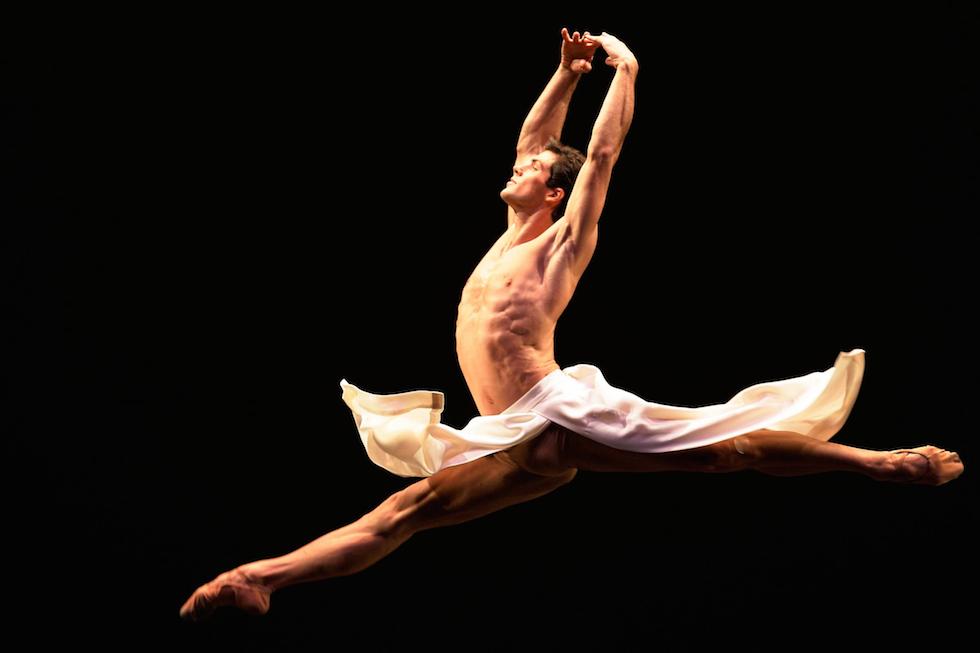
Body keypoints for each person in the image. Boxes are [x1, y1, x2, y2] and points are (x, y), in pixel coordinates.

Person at [180, 28, 963, 622]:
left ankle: (880, 463)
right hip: (506, 432)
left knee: (727, 451)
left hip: (557, 413)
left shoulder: (561, 242)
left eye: (531, 171)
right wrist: (566, 74)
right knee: (403, 513)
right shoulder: (507, 232)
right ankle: (261, 578)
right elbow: (535, 142)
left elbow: (600, 155)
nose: (515, 166)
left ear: (552, 194)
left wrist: (624, 71)